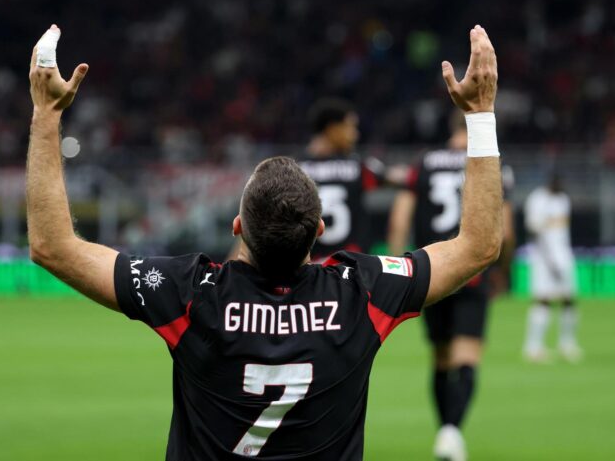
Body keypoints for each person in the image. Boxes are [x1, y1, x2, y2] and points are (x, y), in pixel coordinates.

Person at [26, 23, 503, 460]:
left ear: (238, 226)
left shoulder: (190, 294)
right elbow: (479, 245)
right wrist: (480, 115)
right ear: (319, 232)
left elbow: (53, 245)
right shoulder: (362, 293)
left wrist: (47, 113)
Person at [387, 112, 516, 461]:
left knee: (441, 357)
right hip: (472, 272)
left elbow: (400, 217)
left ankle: (445, 430)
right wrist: (503, 269)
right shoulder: (487, 162)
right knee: (467, 356)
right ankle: (452, 430)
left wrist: (399, 264)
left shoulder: (424, 162)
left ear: (451, 128)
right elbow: (504, 229)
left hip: (429, 269)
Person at [298, 98, 406, 260]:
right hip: (350, 268)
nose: (355, 134)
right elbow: (400, 179)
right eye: (350, 127)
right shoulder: (357, 167)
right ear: (333, 129)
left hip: (309, 268)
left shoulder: (296, 170)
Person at [522, 174, 582, 363]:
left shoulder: (563, 200)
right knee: (542, 300)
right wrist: (549, 260)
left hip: (563, 255)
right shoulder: (537, 199)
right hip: (543, 258)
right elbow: (534, 230)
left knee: (569, 300)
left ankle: (567, 343)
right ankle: (533, 346)